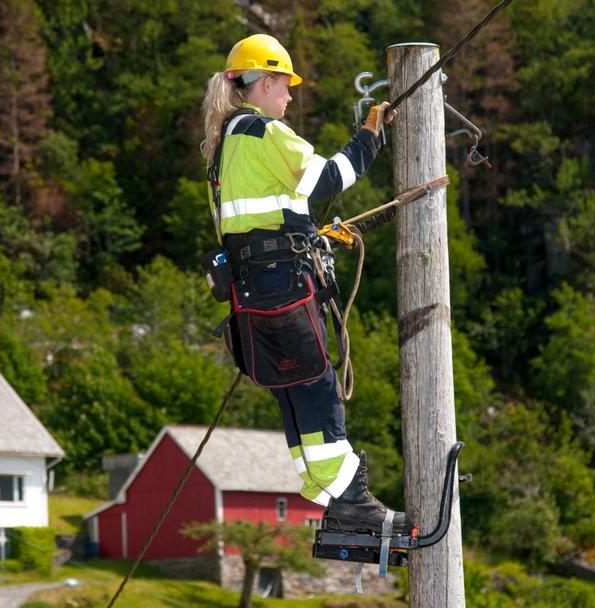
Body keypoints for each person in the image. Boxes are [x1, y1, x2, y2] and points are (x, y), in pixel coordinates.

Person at [201, 33, 412, 535]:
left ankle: (333, 494)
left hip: (251, 295)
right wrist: (369, 138)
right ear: (265, 81)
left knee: (293, 388)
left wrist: (309, 236)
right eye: (285, 85)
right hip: (281, 289)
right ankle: (351, 499)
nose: (290, 96)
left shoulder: (225, 144)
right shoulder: (263, 132)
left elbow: (268, 217)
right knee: (316, 385)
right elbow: (328, 180)